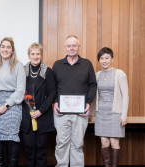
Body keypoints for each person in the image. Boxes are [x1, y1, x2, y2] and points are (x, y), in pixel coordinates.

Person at [52, 35, 97, 167]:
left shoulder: (87, 64)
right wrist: (55, 102)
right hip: (61, 112)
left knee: (77, 144)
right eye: (69, 46)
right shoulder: (57, 65)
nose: (71, 48)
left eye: (74, 45)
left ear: (78, 47)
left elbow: (93, 85)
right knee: (61, 143)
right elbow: (52, 86)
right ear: (65, 47)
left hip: (81, 112)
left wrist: (88, 103)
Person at [0, 37, 26, 167]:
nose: (5, 49)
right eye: (3, 46)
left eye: (8, 47)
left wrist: (6, 105)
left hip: (13, 106)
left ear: (12, 50)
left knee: (12, 137)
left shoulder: (18, 65)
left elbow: (21, 90)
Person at [21, 43, 56, 167]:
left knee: (41, 149)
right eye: (33, 54)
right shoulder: (21, 71)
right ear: (29, 55)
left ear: (41, 55)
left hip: (43, 116)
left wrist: (41, 111)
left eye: (38, 54)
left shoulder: (48, 72)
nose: (35, 56)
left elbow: (52, 93)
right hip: (27, 117)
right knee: (29, 148)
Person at [93, 47, 129, 167]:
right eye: (102, 58)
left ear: (112, 59)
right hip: (101, 114)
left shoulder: (120, 74)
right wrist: (90, 114)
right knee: (104, 143)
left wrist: (124, 116)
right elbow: (94, 96)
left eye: (107, 58)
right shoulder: (97, 75)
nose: (104, 61)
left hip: (115, 114)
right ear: (99, 60)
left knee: (114, 143)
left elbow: (125, 96)